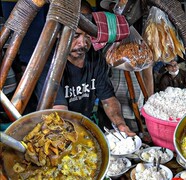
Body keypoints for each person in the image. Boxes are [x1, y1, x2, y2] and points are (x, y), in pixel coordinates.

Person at [35, 0, 135, 136]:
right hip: (57, 132)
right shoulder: (49, 64)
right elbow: (60, 113)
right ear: (59, 33)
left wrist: (120, 123)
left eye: (88, 36)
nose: (82, 43)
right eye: (75, 35)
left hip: (82, 125)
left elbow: (108, 99)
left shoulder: (95, 57)